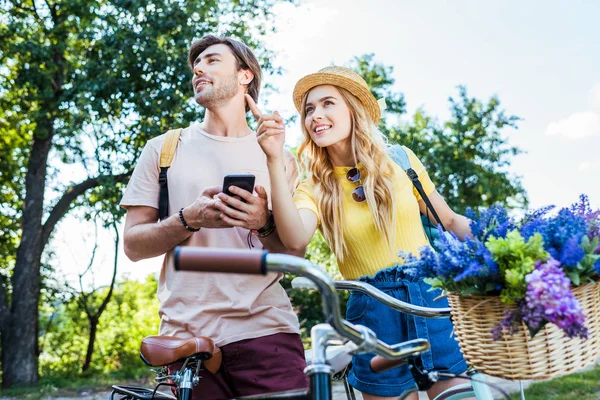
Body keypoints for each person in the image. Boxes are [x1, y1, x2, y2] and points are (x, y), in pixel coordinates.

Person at [245, 66, 470, 400]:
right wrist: (274, 158)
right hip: (373, 313)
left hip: (429, 296)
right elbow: (294, 240)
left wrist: (512, 248)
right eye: (309, 110)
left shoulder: (400, 159)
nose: (315, 116)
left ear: (353, 109)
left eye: (327, 104)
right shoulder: (314, 188)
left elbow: (449, 221)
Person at [120, 35, 308, 399]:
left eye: (211, 60)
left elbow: (294, 255)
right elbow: (132, 246)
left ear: (244, 75)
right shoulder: (164, 149)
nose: (198, 69)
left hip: (266, 331)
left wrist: (263, 222)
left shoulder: (279, 158)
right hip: (186, 338)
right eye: (196, 64)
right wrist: (188, 219)